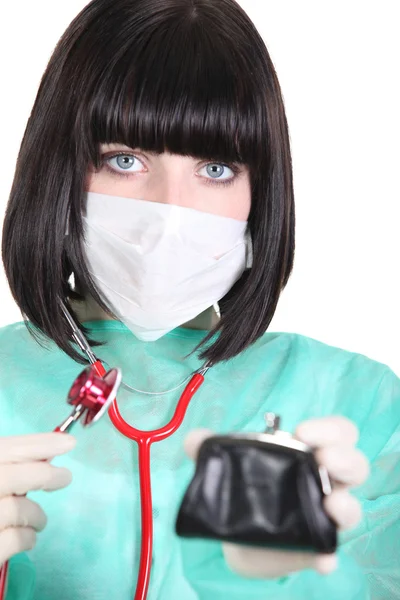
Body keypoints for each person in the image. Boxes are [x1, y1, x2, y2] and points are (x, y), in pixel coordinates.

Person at [0, 0, 398, 599]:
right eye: (125, 160)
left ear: (261, 194)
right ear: (56, 172)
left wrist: (296, 581)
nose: (171, 213)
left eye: (215, 168)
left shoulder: (357, 404)